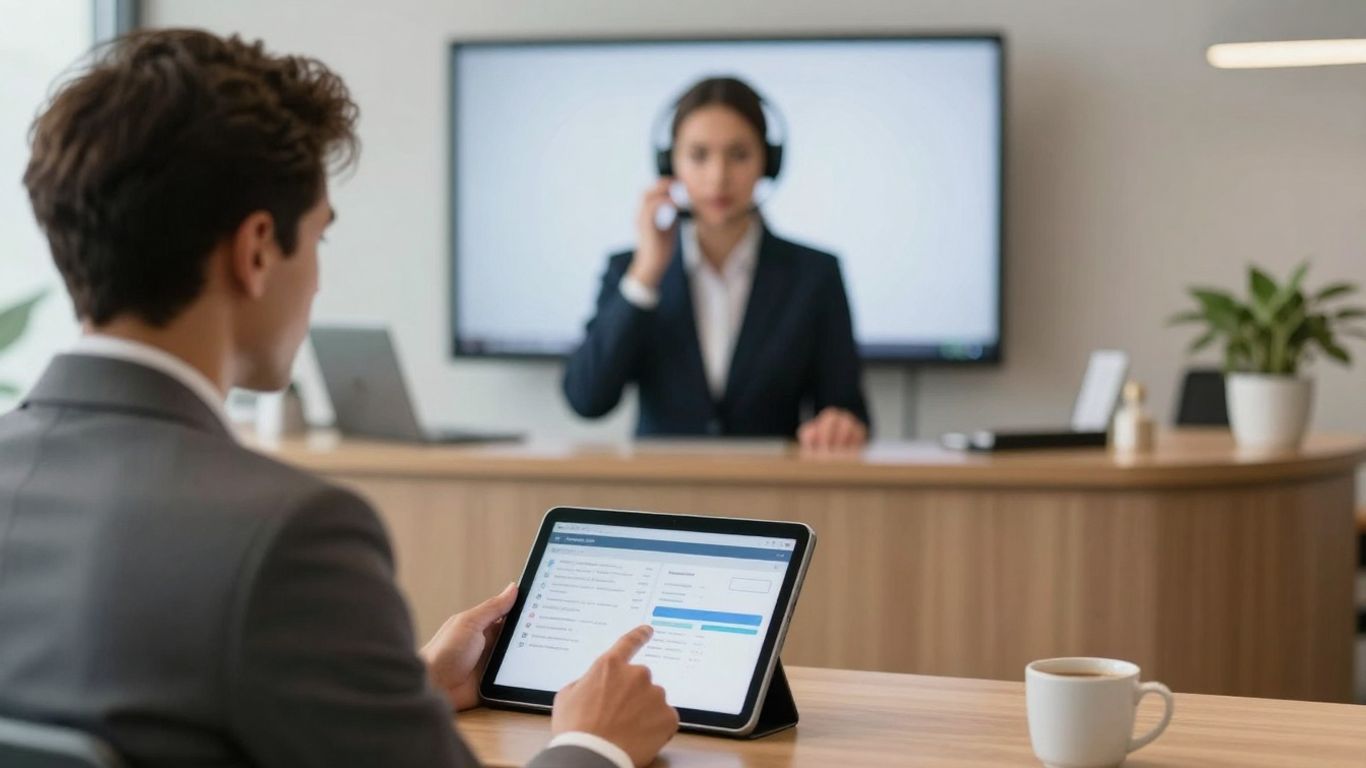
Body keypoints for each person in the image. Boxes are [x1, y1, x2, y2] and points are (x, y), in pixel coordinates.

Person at [0, 28, 676, 768]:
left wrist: (398, 690)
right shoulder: (288, 535)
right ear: (257, 251)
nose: (318, 280)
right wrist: (592, 742)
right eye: (319, 239)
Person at [562, 77, 871, 450]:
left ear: (768, 162)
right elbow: (586, 399)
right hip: (661, 486)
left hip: (772, 485)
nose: (718, 176)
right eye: (698, 155)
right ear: (670, 164)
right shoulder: (631, 270)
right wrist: (645, 276)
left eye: (739, 155)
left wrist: (841, 425)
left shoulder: (814, 275)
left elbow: (848, 408)